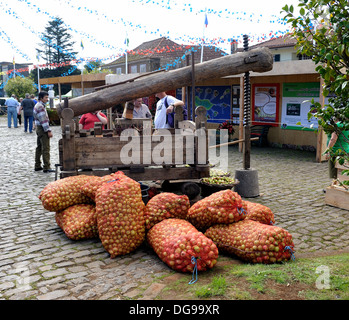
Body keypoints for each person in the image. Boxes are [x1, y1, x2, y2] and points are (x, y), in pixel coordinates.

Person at [33, 91, 54, 173]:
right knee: (45, 148)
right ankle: (46, 167)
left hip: (39, 128)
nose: (47, 99)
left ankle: (37, 165)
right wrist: (48, 130)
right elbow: (43, 121)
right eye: (46, 97)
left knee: (39, 147)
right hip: (42, 128)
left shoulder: (37, 105)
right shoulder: (40, 107)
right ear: (41, 98)